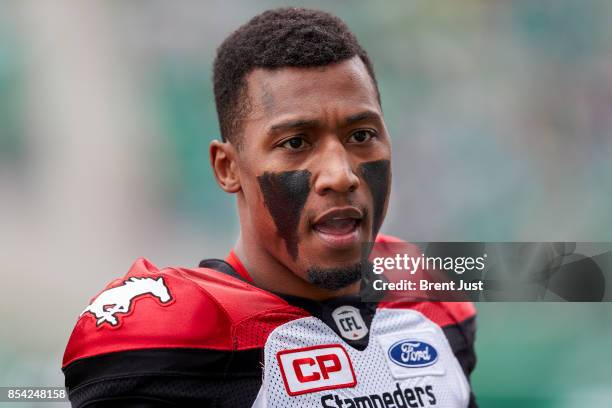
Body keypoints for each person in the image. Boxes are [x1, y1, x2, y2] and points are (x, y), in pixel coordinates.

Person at [62, 8, 477, 407]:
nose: (341, 174)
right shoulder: (174, 341)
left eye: (361, 134)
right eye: (295, 142)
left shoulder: (426, 293)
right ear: (228, 168)